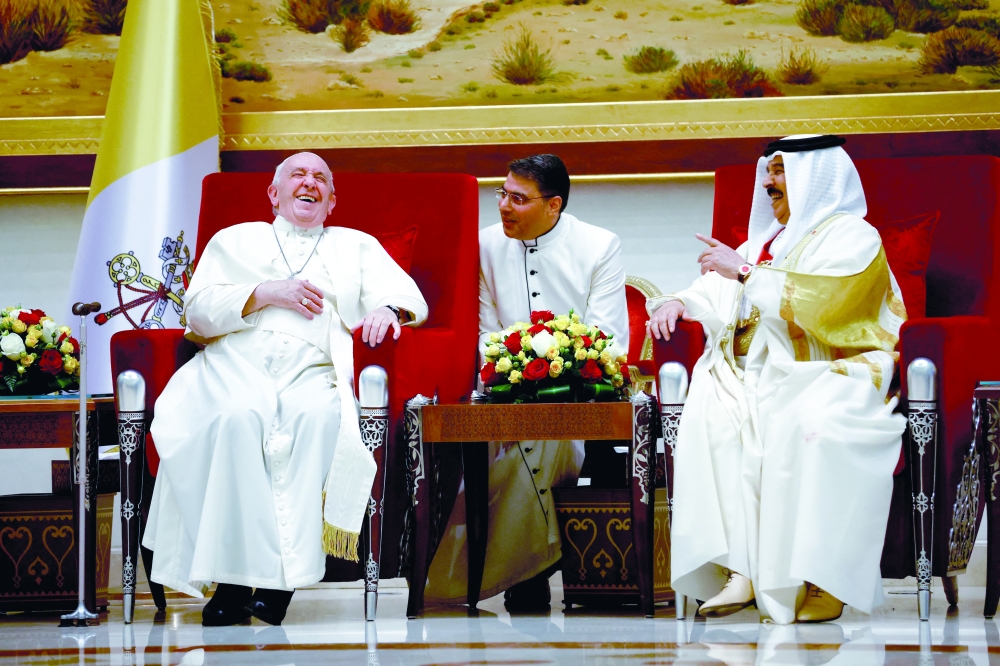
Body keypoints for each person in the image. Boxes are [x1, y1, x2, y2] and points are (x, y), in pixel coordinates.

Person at [143, 152, 428, 626]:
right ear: (274, 194)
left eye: (320, 178)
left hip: (314, 366)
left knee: (316, 421)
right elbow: (197, 310)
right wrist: (266, 292)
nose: (309, 183)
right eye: (297, 174)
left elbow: (403, 294)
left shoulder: (355, 245)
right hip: (235, 362)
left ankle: (281, 583)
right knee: (233, 420)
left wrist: (388, 311)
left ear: (332, 201)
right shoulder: (233, 240)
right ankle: (231, 584)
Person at [646, 135, 906, 624]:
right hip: (754, 370)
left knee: (807, 422)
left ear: (816, 177)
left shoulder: (851, 236)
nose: (768, 183)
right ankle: (739, 569)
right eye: (768, 172)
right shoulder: (766, 241)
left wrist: (743, 271)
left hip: (830, 368)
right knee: (715, 412)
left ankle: (823, 578)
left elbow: (828, 306)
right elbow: (714, 289)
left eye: (781, 172)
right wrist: (678, 302)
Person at [425, 154, 629, 611]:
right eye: (502, 194)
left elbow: (609, 336)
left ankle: (525, 568)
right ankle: (536, 563)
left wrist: (563, 367)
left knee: (548, 430)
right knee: (527, 428)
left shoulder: (599, 245)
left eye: (518, 198)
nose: (503, 206)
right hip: (502, 390)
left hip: (580, 395)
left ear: (554, 205)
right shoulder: (485, 245)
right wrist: (511, 367)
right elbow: (483, 329)